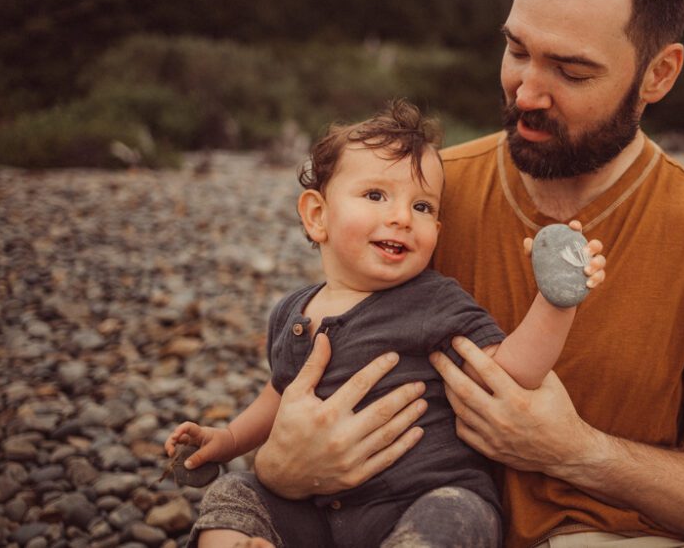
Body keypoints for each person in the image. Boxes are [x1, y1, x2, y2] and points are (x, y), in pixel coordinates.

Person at [253, 0, 684, 548]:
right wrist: (278, 467)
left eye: (572, 71)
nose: (526, 91)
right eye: (517, 50)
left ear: (659, 74)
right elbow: (319, 362)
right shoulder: (422, 201)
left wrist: (581, 453)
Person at [167, 100, 606, 548]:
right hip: (318, 510)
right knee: (232, 497)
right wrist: (226, 440)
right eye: (376, 196)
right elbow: (279, 396)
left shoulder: (434, 300)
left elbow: (511, 373)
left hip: (426, 497)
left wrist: (555, 302)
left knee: (456, 518)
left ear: (436, 226)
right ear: (317, 215)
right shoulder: (291, 312)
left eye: (421, 205)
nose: (400, 216)